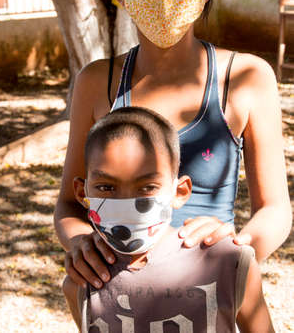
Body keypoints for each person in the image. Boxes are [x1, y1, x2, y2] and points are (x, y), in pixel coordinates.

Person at [54, 0, 292, 291]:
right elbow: (68, 203)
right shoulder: (98, 82)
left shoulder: (246, 79)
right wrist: (81, 244)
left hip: (210, 294)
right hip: (120, 298)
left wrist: (236, 251)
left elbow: (276, 210)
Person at [66, 106, 275, 332]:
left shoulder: (229, 263)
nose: (127, 203)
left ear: (180, 192)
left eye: (147, 187)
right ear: (81, 192)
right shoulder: (82, 279)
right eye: (106, 187)